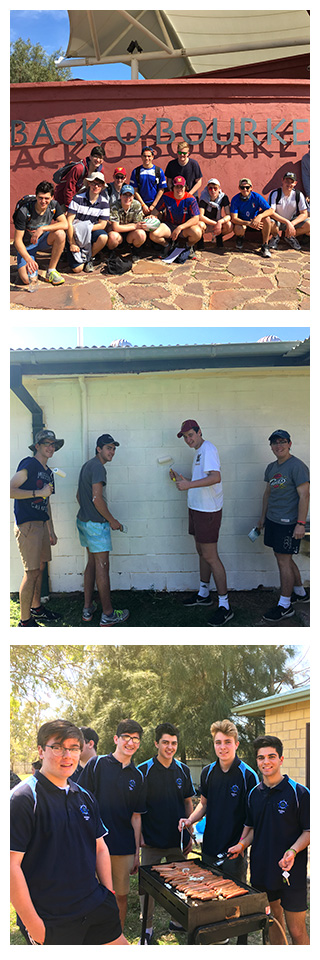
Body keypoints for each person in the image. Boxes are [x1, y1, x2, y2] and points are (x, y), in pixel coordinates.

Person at [10, 719, 128, 945]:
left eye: (74, 748)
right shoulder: (23, 798)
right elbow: (9, 866)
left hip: (95, 905)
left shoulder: (84, 795)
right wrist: (34, 925)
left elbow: (100, 847)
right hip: (51, 917)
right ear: (41, 751)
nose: (67, 755)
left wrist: (109, 894)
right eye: (58, 747)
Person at [228, 735, 310, 945]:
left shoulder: (299, 793)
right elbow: (255, 828)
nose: (266, 762)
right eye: (261, 757)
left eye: (271, 756)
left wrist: (292, 851)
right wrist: (242, 844)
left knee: (296, 929)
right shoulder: (253, 794)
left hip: (291, 872)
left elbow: (309, 831)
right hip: (262, 869)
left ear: (281, 759)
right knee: (274, 922)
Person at [78, 719, 146, 932]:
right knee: (91, 896)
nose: (131, 742)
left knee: (121, 897)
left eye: (135, 739)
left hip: (123, 846)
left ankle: (116, 938)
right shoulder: (96, 765)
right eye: (126, 737)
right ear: (116, 739)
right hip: (94, 845)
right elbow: (81, 802)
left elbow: (136, 817)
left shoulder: (138, 776)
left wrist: (136, 853)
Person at [170, 419, 233, 626]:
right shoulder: (198, 452)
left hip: (208, 511)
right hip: (197, 509)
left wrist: (188, 484)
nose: (188, 439)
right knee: (201, 552)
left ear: (199, 432)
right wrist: (183, 479)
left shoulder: (208, 449)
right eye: (185, 437)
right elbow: (201, 480)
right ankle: (204, 594)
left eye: (191, 435)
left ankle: (225, 606)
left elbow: (215, 477)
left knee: (211, 556)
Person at [137, 722, 195, 943]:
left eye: (174, 743)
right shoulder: (143, 770)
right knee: (147, 888)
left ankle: (178, 920)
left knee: (181, 883)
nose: (170, 747)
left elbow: (188, 802)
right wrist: (140, 835)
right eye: (165, 743)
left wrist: (189, 831)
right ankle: (147, 927)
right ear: (156, 743)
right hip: (151, 840)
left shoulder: (183, 770)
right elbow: (138, 809)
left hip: (177, 840)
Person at [10, 428, 64, 626]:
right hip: (28, 524)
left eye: (53, 444)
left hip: (41, 524)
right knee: (31, 571)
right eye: (47, 444)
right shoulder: (29, 464)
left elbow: (46, 501)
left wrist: (51, 529)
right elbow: (10, 490)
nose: (51, 447)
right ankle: (25, 621)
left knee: (40, 568)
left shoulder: (49, 472)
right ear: (37, 446)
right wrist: (38, 492)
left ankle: (37, 609)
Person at [76, 433, 129, 627]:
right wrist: (111, 520)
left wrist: (89, 514)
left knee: (91, 563)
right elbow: (96, 499)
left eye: (114, 448)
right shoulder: (98, 468)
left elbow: (79, 497)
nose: (112, 452)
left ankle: (88, 608)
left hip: (83, 521)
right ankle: (108, 614)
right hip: (96, 525)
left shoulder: (88, 465)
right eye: (108, 448)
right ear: (99, 449)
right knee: (102, 567)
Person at [256, 429, 310, 622]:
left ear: (289, 444)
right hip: (273, 520)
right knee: (283, 557)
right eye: (274, 443)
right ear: (271, 446)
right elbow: (267, 494)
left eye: (282, 442)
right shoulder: (271, 467)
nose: (278, 446)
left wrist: (300, 524)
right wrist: (262, 518)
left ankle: (285, 605)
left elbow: (305, 495)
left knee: (283, 561)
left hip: (289, 523)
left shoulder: (297, 466)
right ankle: (300, 593)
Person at [13, 181, 67, 286]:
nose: (43, 201)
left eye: (47, 198)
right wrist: (28, 259)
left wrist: (43, 228)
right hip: (27, 246)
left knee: (60, 234)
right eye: (40, 198)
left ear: (52, 197)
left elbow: (65, 224)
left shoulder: (54, 206)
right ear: (36, 196)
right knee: (27, 280)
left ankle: (51, 270)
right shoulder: (24, 211)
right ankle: (30, 261)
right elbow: (17, 241)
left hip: (42, 240)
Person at [66, 171, 111, 273]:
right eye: (94, 183)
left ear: (102, 186)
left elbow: (103, 224)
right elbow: (69, 221)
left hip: (90, 231)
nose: (96, 186)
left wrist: (85, 228)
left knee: (103, 237)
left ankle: (89, 258)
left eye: (99, 184)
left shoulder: (104, 203)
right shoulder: (78, 199)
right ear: (89, 183)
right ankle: (71, 249)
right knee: (77, 269)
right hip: (74, 232)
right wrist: (72, 242)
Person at [156, 177, 203, 255]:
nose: (179, 189)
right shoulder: (166, 197)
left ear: (185, 187)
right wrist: (151, 216)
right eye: (177, 186)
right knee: (154, 234)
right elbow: (156, 211)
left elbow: (196, 218)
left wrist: (180, 227)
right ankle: (167, 245)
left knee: (197, 232)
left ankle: (188, 246)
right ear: (173, 187)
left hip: (185, 228)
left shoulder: (191, 199)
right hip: (169, 226)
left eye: (181, 187)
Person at [230, 177, 273, 258]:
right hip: (244, 224)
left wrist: (260, 216)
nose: (245, 189)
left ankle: (265, 245)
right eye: (242, 187)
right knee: (239, 228)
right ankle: (240, 237)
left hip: (256, 223)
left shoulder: (256, 197)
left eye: (247, 187)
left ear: (251, 188)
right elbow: (234, 219)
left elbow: (270, 210)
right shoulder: (235, 199)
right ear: (239, 188)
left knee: (267, 219)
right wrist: (248, 223)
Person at [53, 144, 105, 210]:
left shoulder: (100, 170)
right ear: (90, 157)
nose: (98, 160)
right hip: (65, 200)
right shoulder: (79, 168)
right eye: (95, 157)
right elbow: (69, 189)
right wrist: (69, 208)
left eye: (100, 158)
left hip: (82, 202)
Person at [268, 172, 310, 251]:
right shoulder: (275, 193)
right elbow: (271, 212)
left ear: (295, 183)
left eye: (292, 182)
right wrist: (287, 222)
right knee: (269, 222)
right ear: (282, 181)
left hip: (292, 221)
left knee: (310, 224)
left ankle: (290, 237)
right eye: (287, 181)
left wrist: (292, 223)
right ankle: (275, 237)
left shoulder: (298, 194)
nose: (289, 184)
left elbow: (304, 214)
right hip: (277, 221)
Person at [108, 184, 148, 254]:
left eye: (130, 195)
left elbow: (139, 226)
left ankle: (135, 252)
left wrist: (135, 226)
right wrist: (134, 226)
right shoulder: (115, 206)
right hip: (118, 233)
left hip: (131, 234)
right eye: (125, 195)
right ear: (120, 196)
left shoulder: (137, 205)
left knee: (141, 234)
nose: (127, 198)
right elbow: (115, 227)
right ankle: (112, 253)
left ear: (133, 197)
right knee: (112, 236)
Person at [199, 177, 233, 253]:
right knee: (199, 225)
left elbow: (228, 215)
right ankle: (200, 240)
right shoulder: (204, 198)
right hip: (206, 222)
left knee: (229, 225)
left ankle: (219, 236)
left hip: (217, 219)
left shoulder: (224, 197)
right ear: (207, 189)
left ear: (219, 188)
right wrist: (216, 224)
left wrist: (220, 222)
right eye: (210, 188)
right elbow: (200, 216)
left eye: (215, 188)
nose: (213, 190)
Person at [130, 146, 167, 216]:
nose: (147, 158)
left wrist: (153, 205)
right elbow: (134, 190)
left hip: (155, 206)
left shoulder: (159, 171)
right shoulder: (136, 171)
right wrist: (143, 205)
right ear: (141, 157)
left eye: (149, 156)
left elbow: (161, 190)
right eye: (144, 156)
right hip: (140, 205)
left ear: (152, 157)